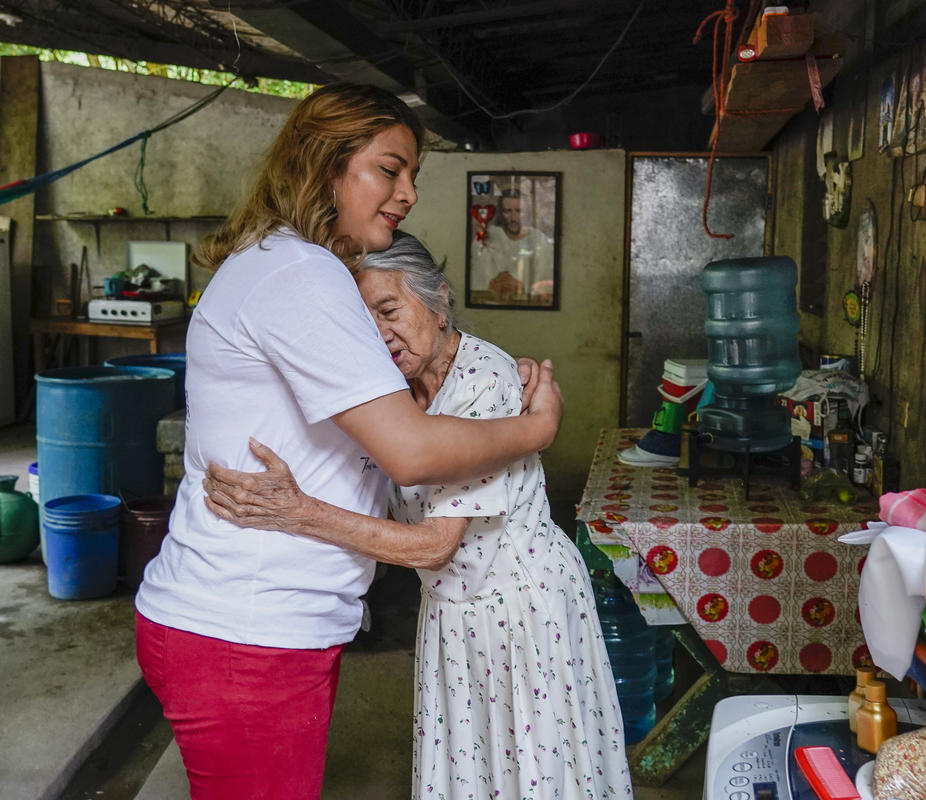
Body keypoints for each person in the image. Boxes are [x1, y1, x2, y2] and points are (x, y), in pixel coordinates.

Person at [133, 83, 563, 800]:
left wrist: (481, 384)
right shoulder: (301, 272)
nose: (409, 194)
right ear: (324, 164)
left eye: (413, 175)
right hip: (250, 626)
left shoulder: (286, 265)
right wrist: (536, 427)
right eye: (389, 170)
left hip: (263, 622)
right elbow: (411, 452)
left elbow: (389, 421)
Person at [204, 233, 633, 798]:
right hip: (453, 609)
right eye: (363, 322)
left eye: (389, 310)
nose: (380, 334)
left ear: (439, 299)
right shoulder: (392, 392)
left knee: (534, 773)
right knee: (476, 773)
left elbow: (434, 545)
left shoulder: (484, 380)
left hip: (520, 607)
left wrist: (297, 512)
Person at [470, 188, 555, 302]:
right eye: (508, 211)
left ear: (528, 213)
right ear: (501, 213)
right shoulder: (486, 239)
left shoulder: (542, 243)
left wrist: (521, 288)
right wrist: (491, 286)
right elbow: (476, 280)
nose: (513, 217)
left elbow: (546, 287)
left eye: (519, 211)